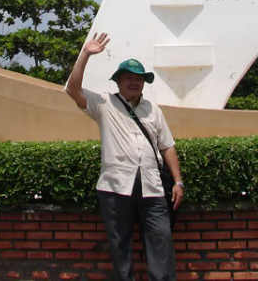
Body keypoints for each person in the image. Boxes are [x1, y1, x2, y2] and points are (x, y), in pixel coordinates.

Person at [65, 32, 183, 281]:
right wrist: (85, 54)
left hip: (153, 186)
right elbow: (72, 89)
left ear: (144, 83)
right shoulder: (104, 103)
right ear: (118, 81)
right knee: (120, 245)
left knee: (161, 239)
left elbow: (168, 146)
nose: (133, 83)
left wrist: (178, 181)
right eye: (128, 78)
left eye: (138, 79)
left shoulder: (153, 109)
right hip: (115, 187)